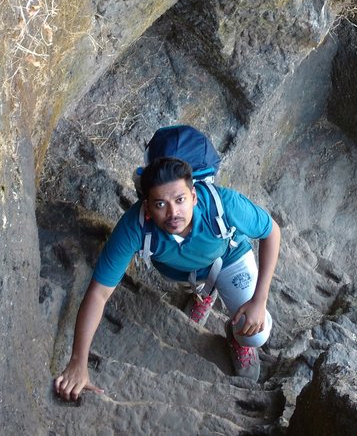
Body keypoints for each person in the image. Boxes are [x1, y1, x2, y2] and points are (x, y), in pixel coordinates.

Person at [54, 156, 281, 400]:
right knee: (193, 274)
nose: (173, 213)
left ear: (194, 196)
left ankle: (236, 334)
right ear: (147, 208)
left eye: (180, 199)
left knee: (256, 333)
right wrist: (78, 361)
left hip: (229, 257)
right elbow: (99, 293)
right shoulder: (134, 227)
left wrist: (259, 300)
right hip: (183, 272)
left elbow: (272, 231)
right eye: (160, 204)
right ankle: (204, 294)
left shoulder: (224, 204)